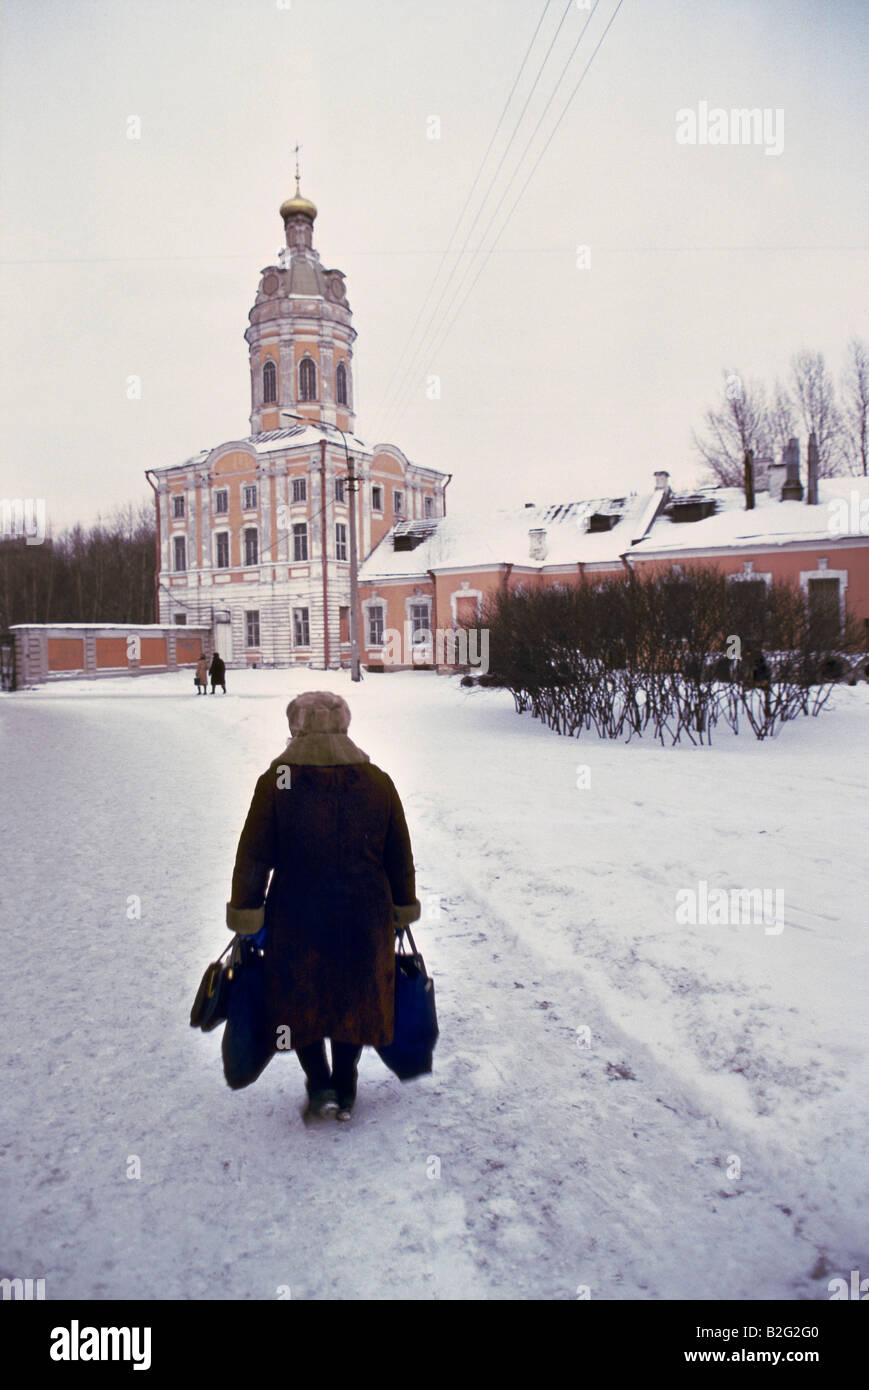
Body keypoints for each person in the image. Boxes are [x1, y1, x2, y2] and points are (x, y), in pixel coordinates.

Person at [226, 691, 420, 1122]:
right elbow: (398, 854)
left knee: (299, 997)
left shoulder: (279, 779)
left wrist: (246, 910)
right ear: (343, 726)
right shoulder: (376, 780)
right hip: (364, 910)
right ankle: (346, 1084)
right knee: (355, 995)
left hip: (297, 911)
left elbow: (254, 854)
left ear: (297, 727)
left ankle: (319, 1085)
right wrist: (403, 905)